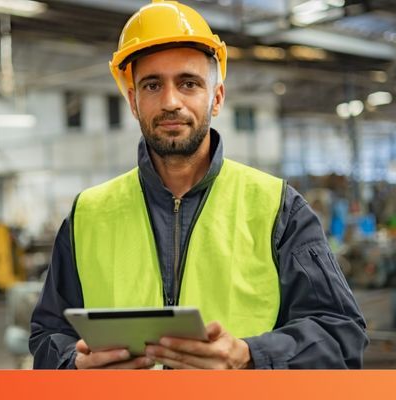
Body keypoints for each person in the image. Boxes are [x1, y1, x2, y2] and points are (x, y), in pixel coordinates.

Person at [29, 0, 368, 369]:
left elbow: (340, 334)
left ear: (217, 97)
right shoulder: (88, 215)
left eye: (188, 83)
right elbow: (47, 334)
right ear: (133, 101)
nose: (170, 101)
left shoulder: (278, 209)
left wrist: (250, 356)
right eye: (152, 85)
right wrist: (75, 366)